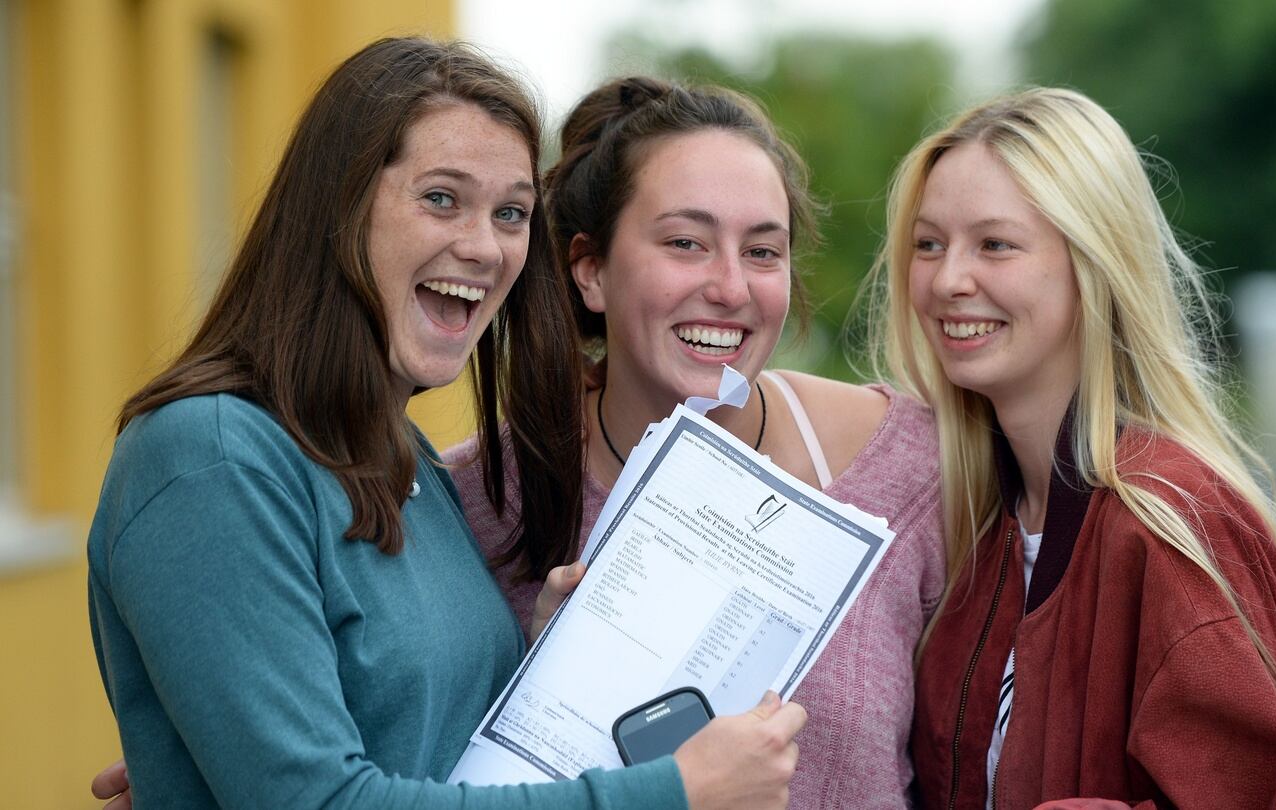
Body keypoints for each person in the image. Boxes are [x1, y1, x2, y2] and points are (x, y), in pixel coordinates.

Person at [86, 38, 804, 809]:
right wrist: (673, 793)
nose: (484, 246)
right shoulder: (212, 457)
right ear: (339, 204)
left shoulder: (407, 460)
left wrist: (544, 661)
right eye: (441, 198)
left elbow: (413, 741)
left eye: (511, 213)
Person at [443, 76, 947, 809]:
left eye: (764, 252)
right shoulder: (475, 502)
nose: (731, 287)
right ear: (590, 270)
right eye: (687, 243)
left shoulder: (908, 467)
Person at [875, 87, 1276, 808]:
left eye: (995, 244)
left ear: (1093, 261)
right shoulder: (976, 525)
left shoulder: (1172, 525)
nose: (947, 281)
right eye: (929, 244)